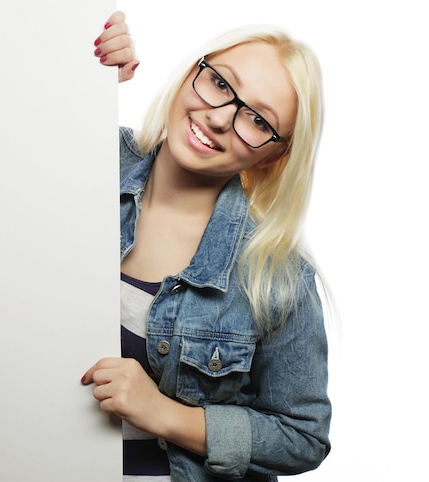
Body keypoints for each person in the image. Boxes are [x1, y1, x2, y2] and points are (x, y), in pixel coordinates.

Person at [82, 11, 331, 482]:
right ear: (193, 71)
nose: (218, 118)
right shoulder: (85, 158)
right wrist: (76, 77)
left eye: (257, 119)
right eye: (219, 83)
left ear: (277, 153)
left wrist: (164, 414)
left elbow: (303, 437)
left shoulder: (277, 274)